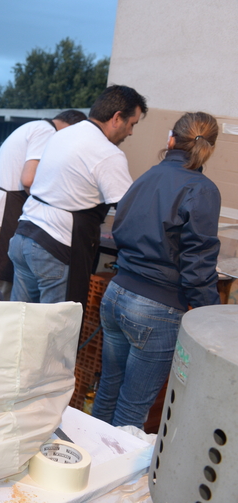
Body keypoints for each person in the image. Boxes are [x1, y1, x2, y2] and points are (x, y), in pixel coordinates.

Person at [92, 112, 221, 429]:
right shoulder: (202, 189)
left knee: (107, 390)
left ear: (171, 139)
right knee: (132, 409)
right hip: (156, 307)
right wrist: (209, 315)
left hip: (117, 295)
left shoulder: (147, 176)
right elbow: (198, 259)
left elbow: (120, 226)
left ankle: (86, 463)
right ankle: (115, 475)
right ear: (209, 147)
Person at [8, 86, 146, 308]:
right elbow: (130, 211)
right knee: (56, 330)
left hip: (24, 236)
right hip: (54, 247)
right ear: (117, 118)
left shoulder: (63, 135)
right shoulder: (107, 153)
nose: (130, 133)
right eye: (132, 124)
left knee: (20, 322)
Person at [0, 110, 87, 300]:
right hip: (3, 213)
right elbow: (29, 179)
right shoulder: (47, 133)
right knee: (5, 288)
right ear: (72, 127)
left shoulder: (32, 127)